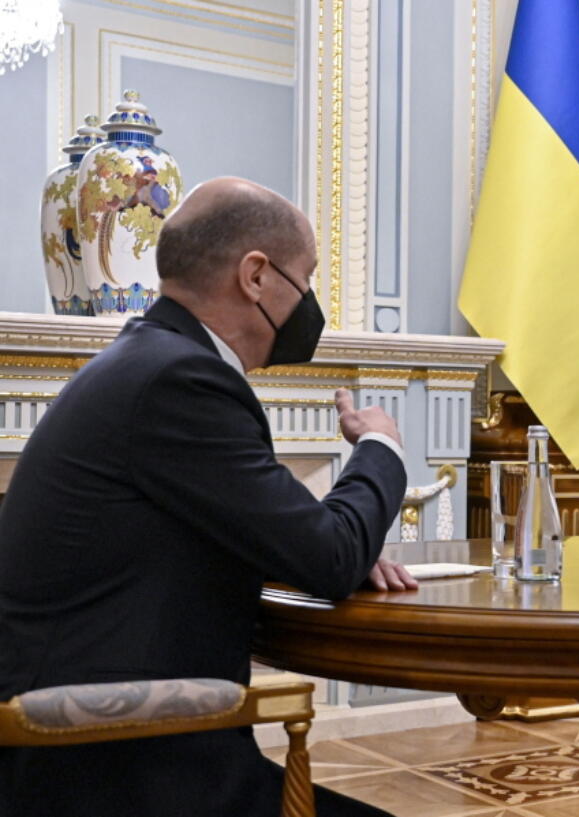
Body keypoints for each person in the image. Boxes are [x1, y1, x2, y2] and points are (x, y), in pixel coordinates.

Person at [0, 177, 417, 816]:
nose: (308, 303)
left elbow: (278, 538)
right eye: (305, 281)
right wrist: (380, 447)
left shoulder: (149, 361)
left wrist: (331, 546)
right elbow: (328, 557)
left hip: (104, 742)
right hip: (114, 765)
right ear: (256, 276)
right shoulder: (180, 380)